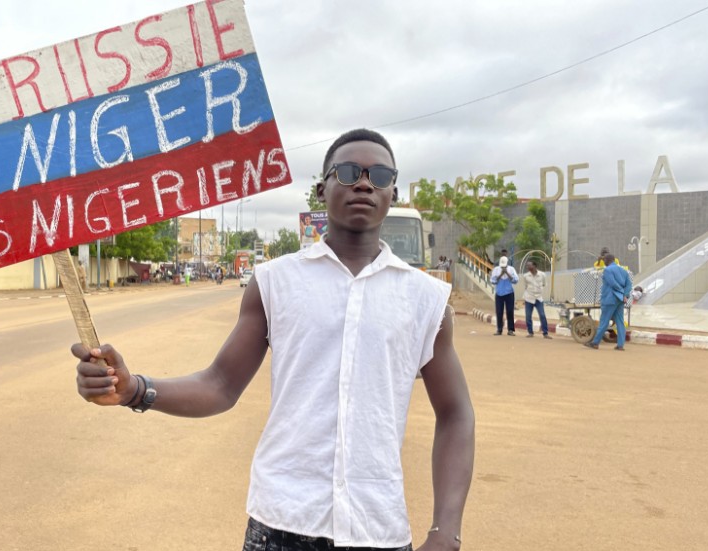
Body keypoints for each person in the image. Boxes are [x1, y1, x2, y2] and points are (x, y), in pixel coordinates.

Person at [73, 129, 474, 551]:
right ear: (321, 189)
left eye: (379, 175)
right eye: (350, 172)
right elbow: (221, 385)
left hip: (378, 528)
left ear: (393, 191)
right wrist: (135, 389)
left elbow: (456, 413)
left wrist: (446, 531)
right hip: (280, 524)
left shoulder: (426, 299)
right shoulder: (275, 282)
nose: (363, 183)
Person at [585, 253, 633, 351]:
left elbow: (612, 283)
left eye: (605, 260)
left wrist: (620, 291)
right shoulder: (624, 271)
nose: (604, 262)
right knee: (620, 321)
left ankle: (595, 343)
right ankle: (620, 345)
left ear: (607, 260)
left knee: (604, 321)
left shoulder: (607, 270)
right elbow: (629, 285)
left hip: (609, 299)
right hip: (620, 299)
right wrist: (624, 294)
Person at [521, 261, 552, 339]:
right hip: (529, 298)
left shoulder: (542, 275)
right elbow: (525, 286)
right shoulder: (525, 276)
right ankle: (530, 332)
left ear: (534, 266)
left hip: (538, 298)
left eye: (529, 265)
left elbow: (544, 284)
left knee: (542, 315)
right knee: (528, 316)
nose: (527, 267)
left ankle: (545, 333)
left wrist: (539, 290)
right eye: (527, 265)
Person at [490, 256, 519, 335]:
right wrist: (500, 274)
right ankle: (499, 329)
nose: (503, 267)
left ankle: (511, 330)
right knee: (499, 311)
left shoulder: (511, 269)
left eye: (504, 266)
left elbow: (516, 280)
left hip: (509, 293)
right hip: (499, 293)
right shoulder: (496, 270)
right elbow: (493, 281)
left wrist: (507, 273)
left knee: (510, 311)